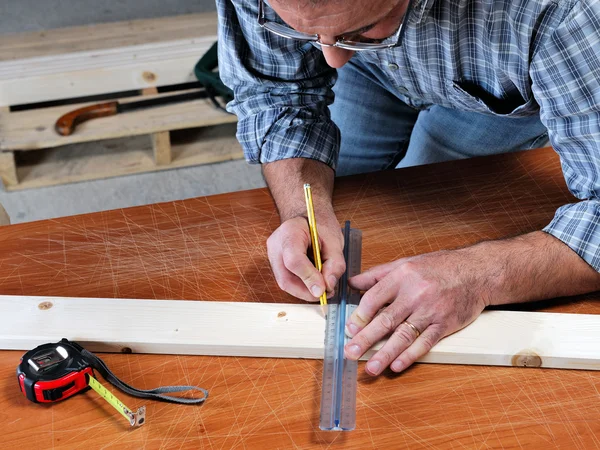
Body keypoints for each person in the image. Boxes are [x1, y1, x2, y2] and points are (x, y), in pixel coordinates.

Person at [217, 0, 600, 376]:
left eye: (364, 29)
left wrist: (477, 276)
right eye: (306, 31)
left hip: (500, 87)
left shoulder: (565, 10)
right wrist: (304, 210)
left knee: (426, 231)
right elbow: (278, 93)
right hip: (371, 70)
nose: (331, 60)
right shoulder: (322, 35)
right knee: (358, 211)